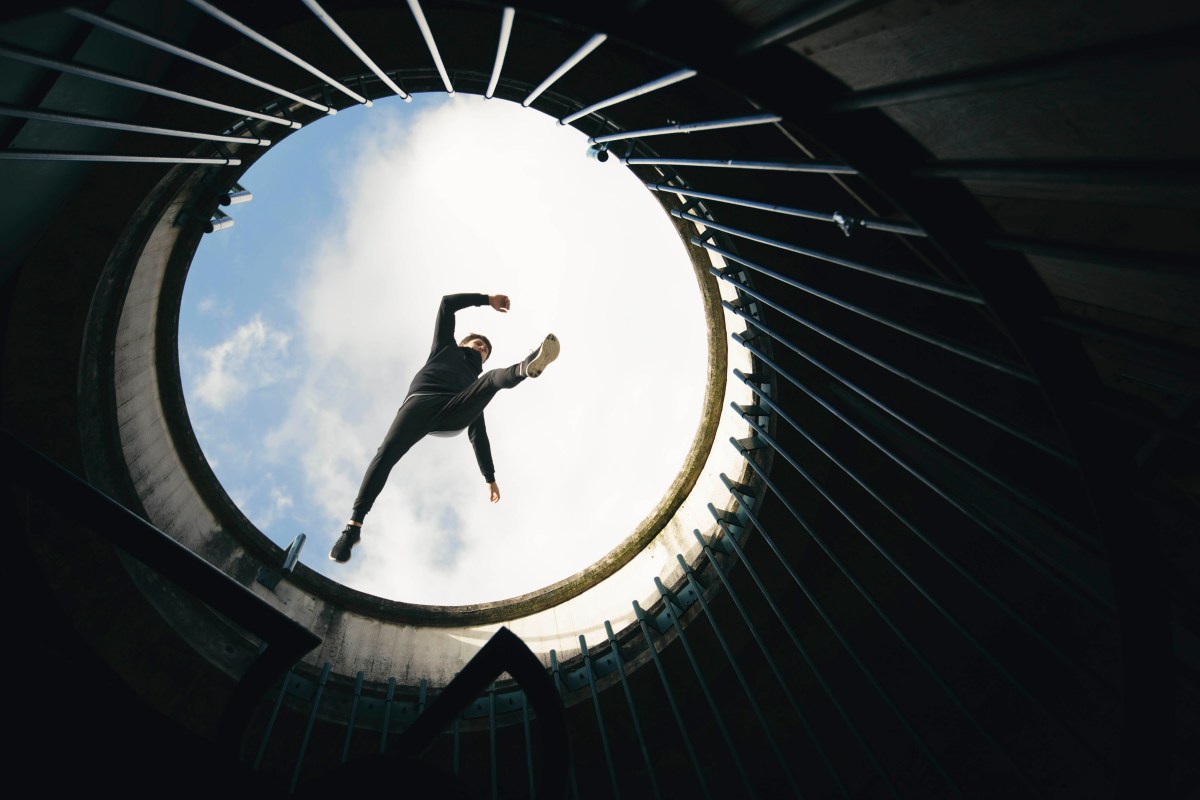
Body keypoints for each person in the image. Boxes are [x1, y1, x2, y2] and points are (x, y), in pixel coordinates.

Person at [329, 292, 559, 563]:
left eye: (485, 350)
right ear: (463, 342)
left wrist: (490, 478)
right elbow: (447, 304)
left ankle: (525, 367)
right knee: (386, 453)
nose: (481, 349)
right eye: (477, 344)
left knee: (492, 379)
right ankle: (353, 527)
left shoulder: (474, 381)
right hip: (420, 404)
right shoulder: (444, 347)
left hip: (454, 412)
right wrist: (487, 300)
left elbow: (478, 435)